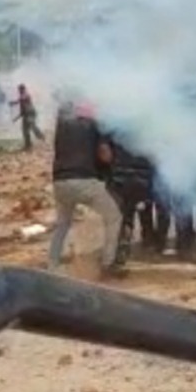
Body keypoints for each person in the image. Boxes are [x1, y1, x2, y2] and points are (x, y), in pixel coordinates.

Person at [47, 101, 126, 278]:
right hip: (84, 180)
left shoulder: (62, 124)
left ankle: (52, 264)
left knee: (62, 224)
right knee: (114, 217)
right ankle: (108, 264)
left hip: (59, 181)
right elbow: (105, 155)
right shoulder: (94, 123)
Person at [105, 131, 158, 262]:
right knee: (144, 209)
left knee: (125, 216)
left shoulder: (114, 126)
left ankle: (123, 249)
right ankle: (149, 243)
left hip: (120, 178)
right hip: (142, 177)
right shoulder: (150, 127)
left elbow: (106, 153)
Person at [11, 84, 44, 151]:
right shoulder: (21, 99)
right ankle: (28, 144)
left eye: (21, 90)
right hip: (26, 115)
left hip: (30, 113)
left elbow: (22, 99)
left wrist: (14, 102)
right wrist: (16, 118)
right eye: (19, 90)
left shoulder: (26, 95)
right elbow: (22, 112)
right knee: (25, 130)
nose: (19, 91)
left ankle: (41, 136)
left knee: (32, 126)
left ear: (23, 89)